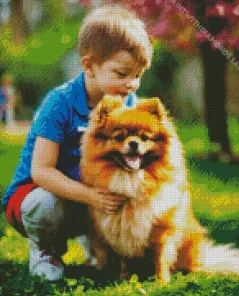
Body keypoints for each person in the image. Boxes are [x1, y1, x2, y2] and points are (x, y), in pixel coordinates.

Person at [2, 4, 153, 281]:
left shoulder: (126, 102)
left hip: (86, 196)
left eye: (138, 76)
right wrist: (92, 197)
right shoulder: (59, 103)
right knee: (46, 204)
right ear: (89, 66)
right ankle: (44, 248)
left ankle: (99, 242)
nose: (132, 84)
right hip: (35, 197)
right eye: (122, 74)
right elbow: (42, 172)